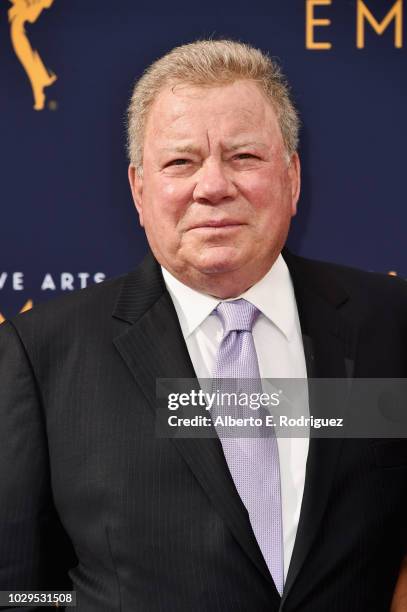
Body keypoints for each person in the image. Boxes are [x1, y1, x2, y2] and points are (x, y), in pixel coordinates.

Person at [0, 39, 406, 611]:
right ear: (140, 190)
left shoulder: (392, 323)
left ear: (292, 178)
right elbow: (16, 591)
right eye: (180, 162)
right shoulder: (41, 355)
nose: (213, 186)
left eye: (244, 157)